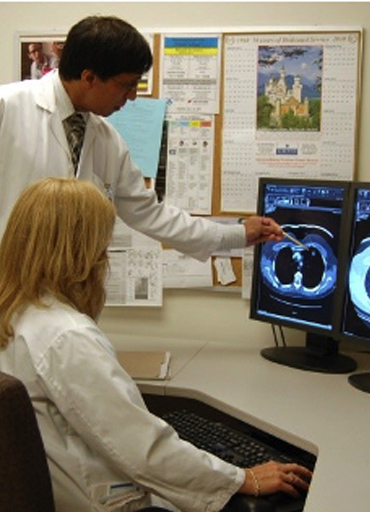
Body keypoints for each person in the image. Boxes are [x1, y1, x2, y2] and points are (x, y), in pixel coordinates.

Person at [0, 177, 312, 512]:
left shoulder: (16, 313)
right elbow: (141, 450)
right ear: (83, 253)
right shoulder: (67, 337)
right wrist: (242, 478)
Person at [0, 15, 283, 259]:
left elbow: (149, 213)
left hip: (65, 297)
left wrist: (237, 234)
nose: (133, 96)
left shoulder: (107, 140)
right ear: (89, 78)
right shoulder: (7, 107)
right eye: (127, 86)